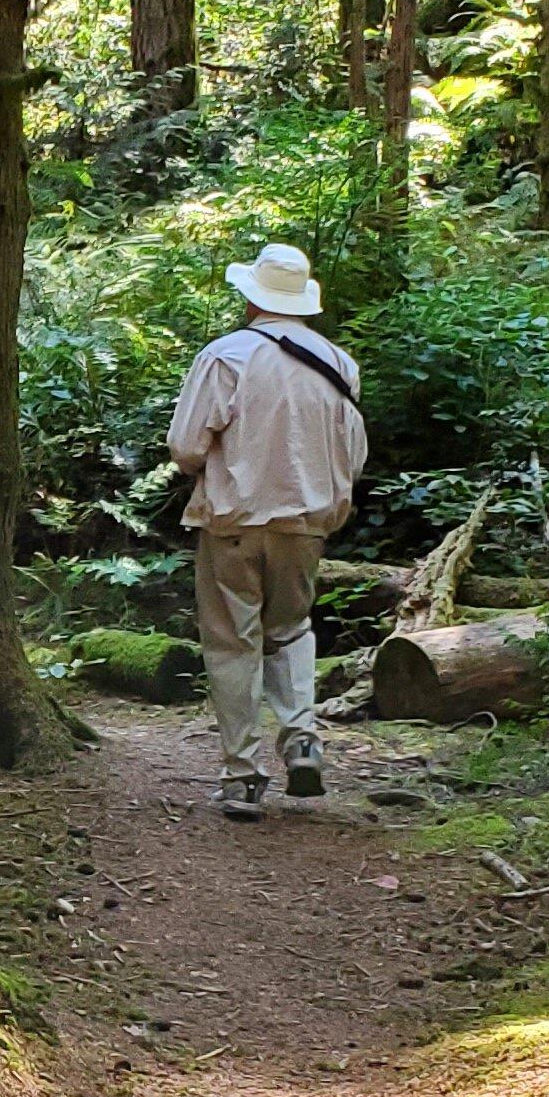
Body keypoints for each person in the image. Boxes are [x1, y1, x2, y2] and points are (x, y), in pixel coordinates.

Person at [165, 242, 366, 820]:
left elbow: (185, 447)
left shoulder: (226, 356)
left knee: (233, 642)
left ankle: (243, 777)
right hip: (307, 524)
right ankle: (302, 737)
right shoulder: (339, 363)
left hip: (233, 520)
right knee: (292, 630)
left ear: (251, 298)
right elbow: (351, 454)